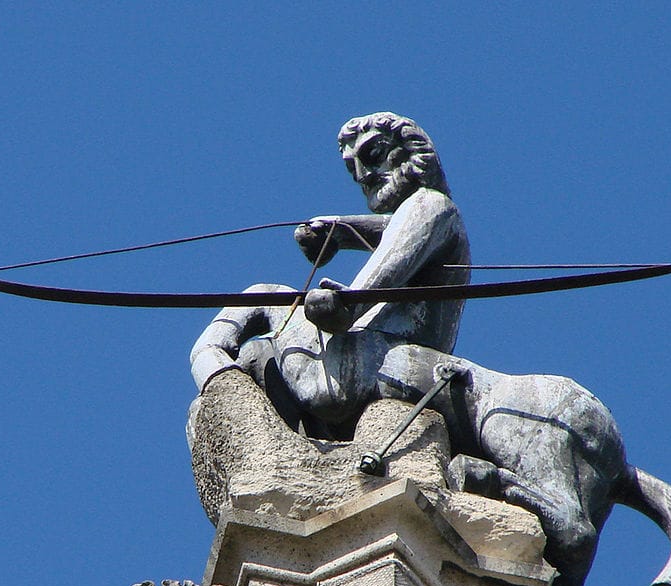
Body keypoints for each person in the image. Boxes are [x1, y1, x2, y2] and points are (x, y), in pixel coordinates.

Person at [189, 112, 470, 438]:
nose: (364, 176)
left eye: (374, 156)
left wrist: (345, 303)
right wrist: (338, 230)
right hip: (360, 369)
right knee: (260, 339)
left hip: (371, 366)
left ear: (412, 152)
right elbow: (396, 229)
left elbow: (409, 230)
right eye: (354, 170)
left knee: (264, 293)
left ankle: (207, 361)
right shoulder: (428, 217)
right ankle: (219, 374)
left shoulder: (433, 206)